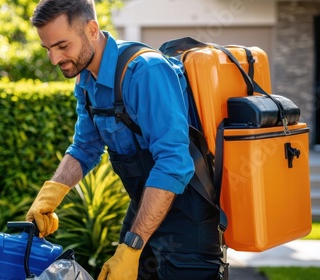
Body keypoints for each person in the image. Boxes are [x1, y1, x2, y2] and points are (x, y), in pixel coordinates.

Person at [25, 0, 223, 279]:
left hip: (186, 217)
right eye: (48, 49)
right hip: (145, 205)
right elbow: (85, 148)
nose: (55, 59)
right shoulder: (86, 83)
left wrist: (133, 247)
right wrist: (48, 197)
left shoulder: (145, 72)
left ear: (91, 29)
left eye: (62, 46)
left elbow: (174, 161)